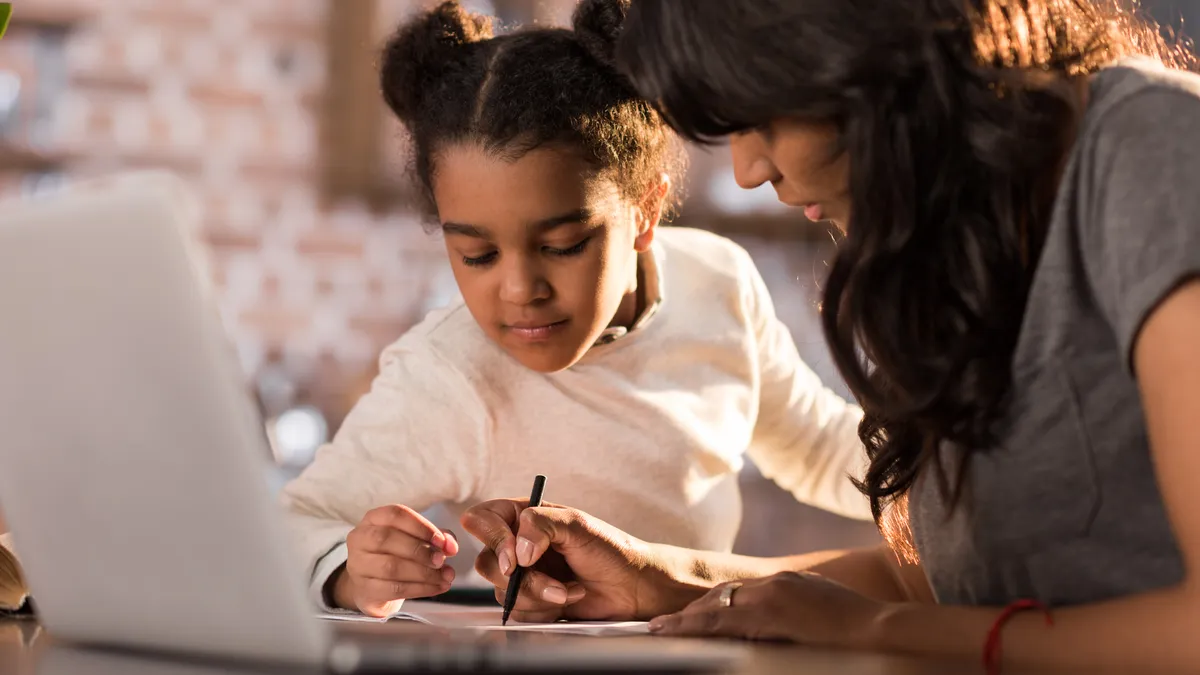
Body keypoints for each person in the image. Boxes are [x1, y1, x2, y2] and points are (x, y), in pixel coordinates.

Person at [462, 0, 1200, 670]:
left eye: (761, 119)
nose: (750, 170)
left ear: (859, 50)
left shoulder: (1152, 148)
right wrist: (661, 579)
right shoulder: (958, 232)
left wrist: (875, 630)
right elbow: (943, 582)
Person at [279, 0, 872, 619]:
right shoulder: (449, 376)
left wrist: (953, 471)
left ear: (645, 209)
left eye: (563, 245)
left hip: (703, 650)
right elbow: (290, 524)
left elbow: (820, 448)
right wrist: (348, 570)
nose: (519, 289)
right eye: (477, 254)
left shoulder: (716, 282)